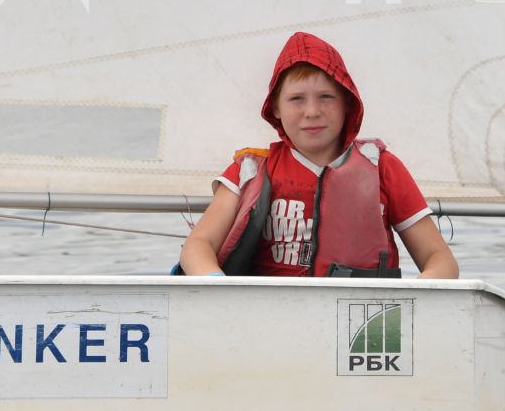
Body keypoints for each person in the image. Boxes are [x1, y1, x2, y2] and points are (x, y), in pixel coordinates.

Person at [179, 31, 459, 280]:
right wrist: (216, 283)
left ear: (347, 103)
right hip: (267, 317)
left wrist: (421, 293)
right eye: (296, 99)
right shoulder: (249, 170)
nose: (312, 111)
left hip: (362, 321)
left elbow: (440, 260)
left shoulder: (383, 167)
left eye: (326, 97)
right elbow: (197, 246)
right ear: (275, 107)